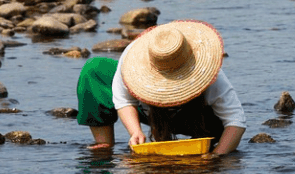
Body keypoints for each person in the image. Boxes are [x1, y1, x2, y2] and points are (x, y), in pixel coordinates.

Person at [76, 20, 246, 156]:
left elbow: (235, 121)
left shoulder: (209, 73)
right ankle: (104, 145)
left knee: (221, 133)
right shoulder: (131, 62)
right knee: (95, 68)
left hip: (197, 116)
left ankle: (204, 142)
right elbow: (124, 100)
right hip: (148, 110)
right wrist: (135, 132)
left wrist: (216, 155)